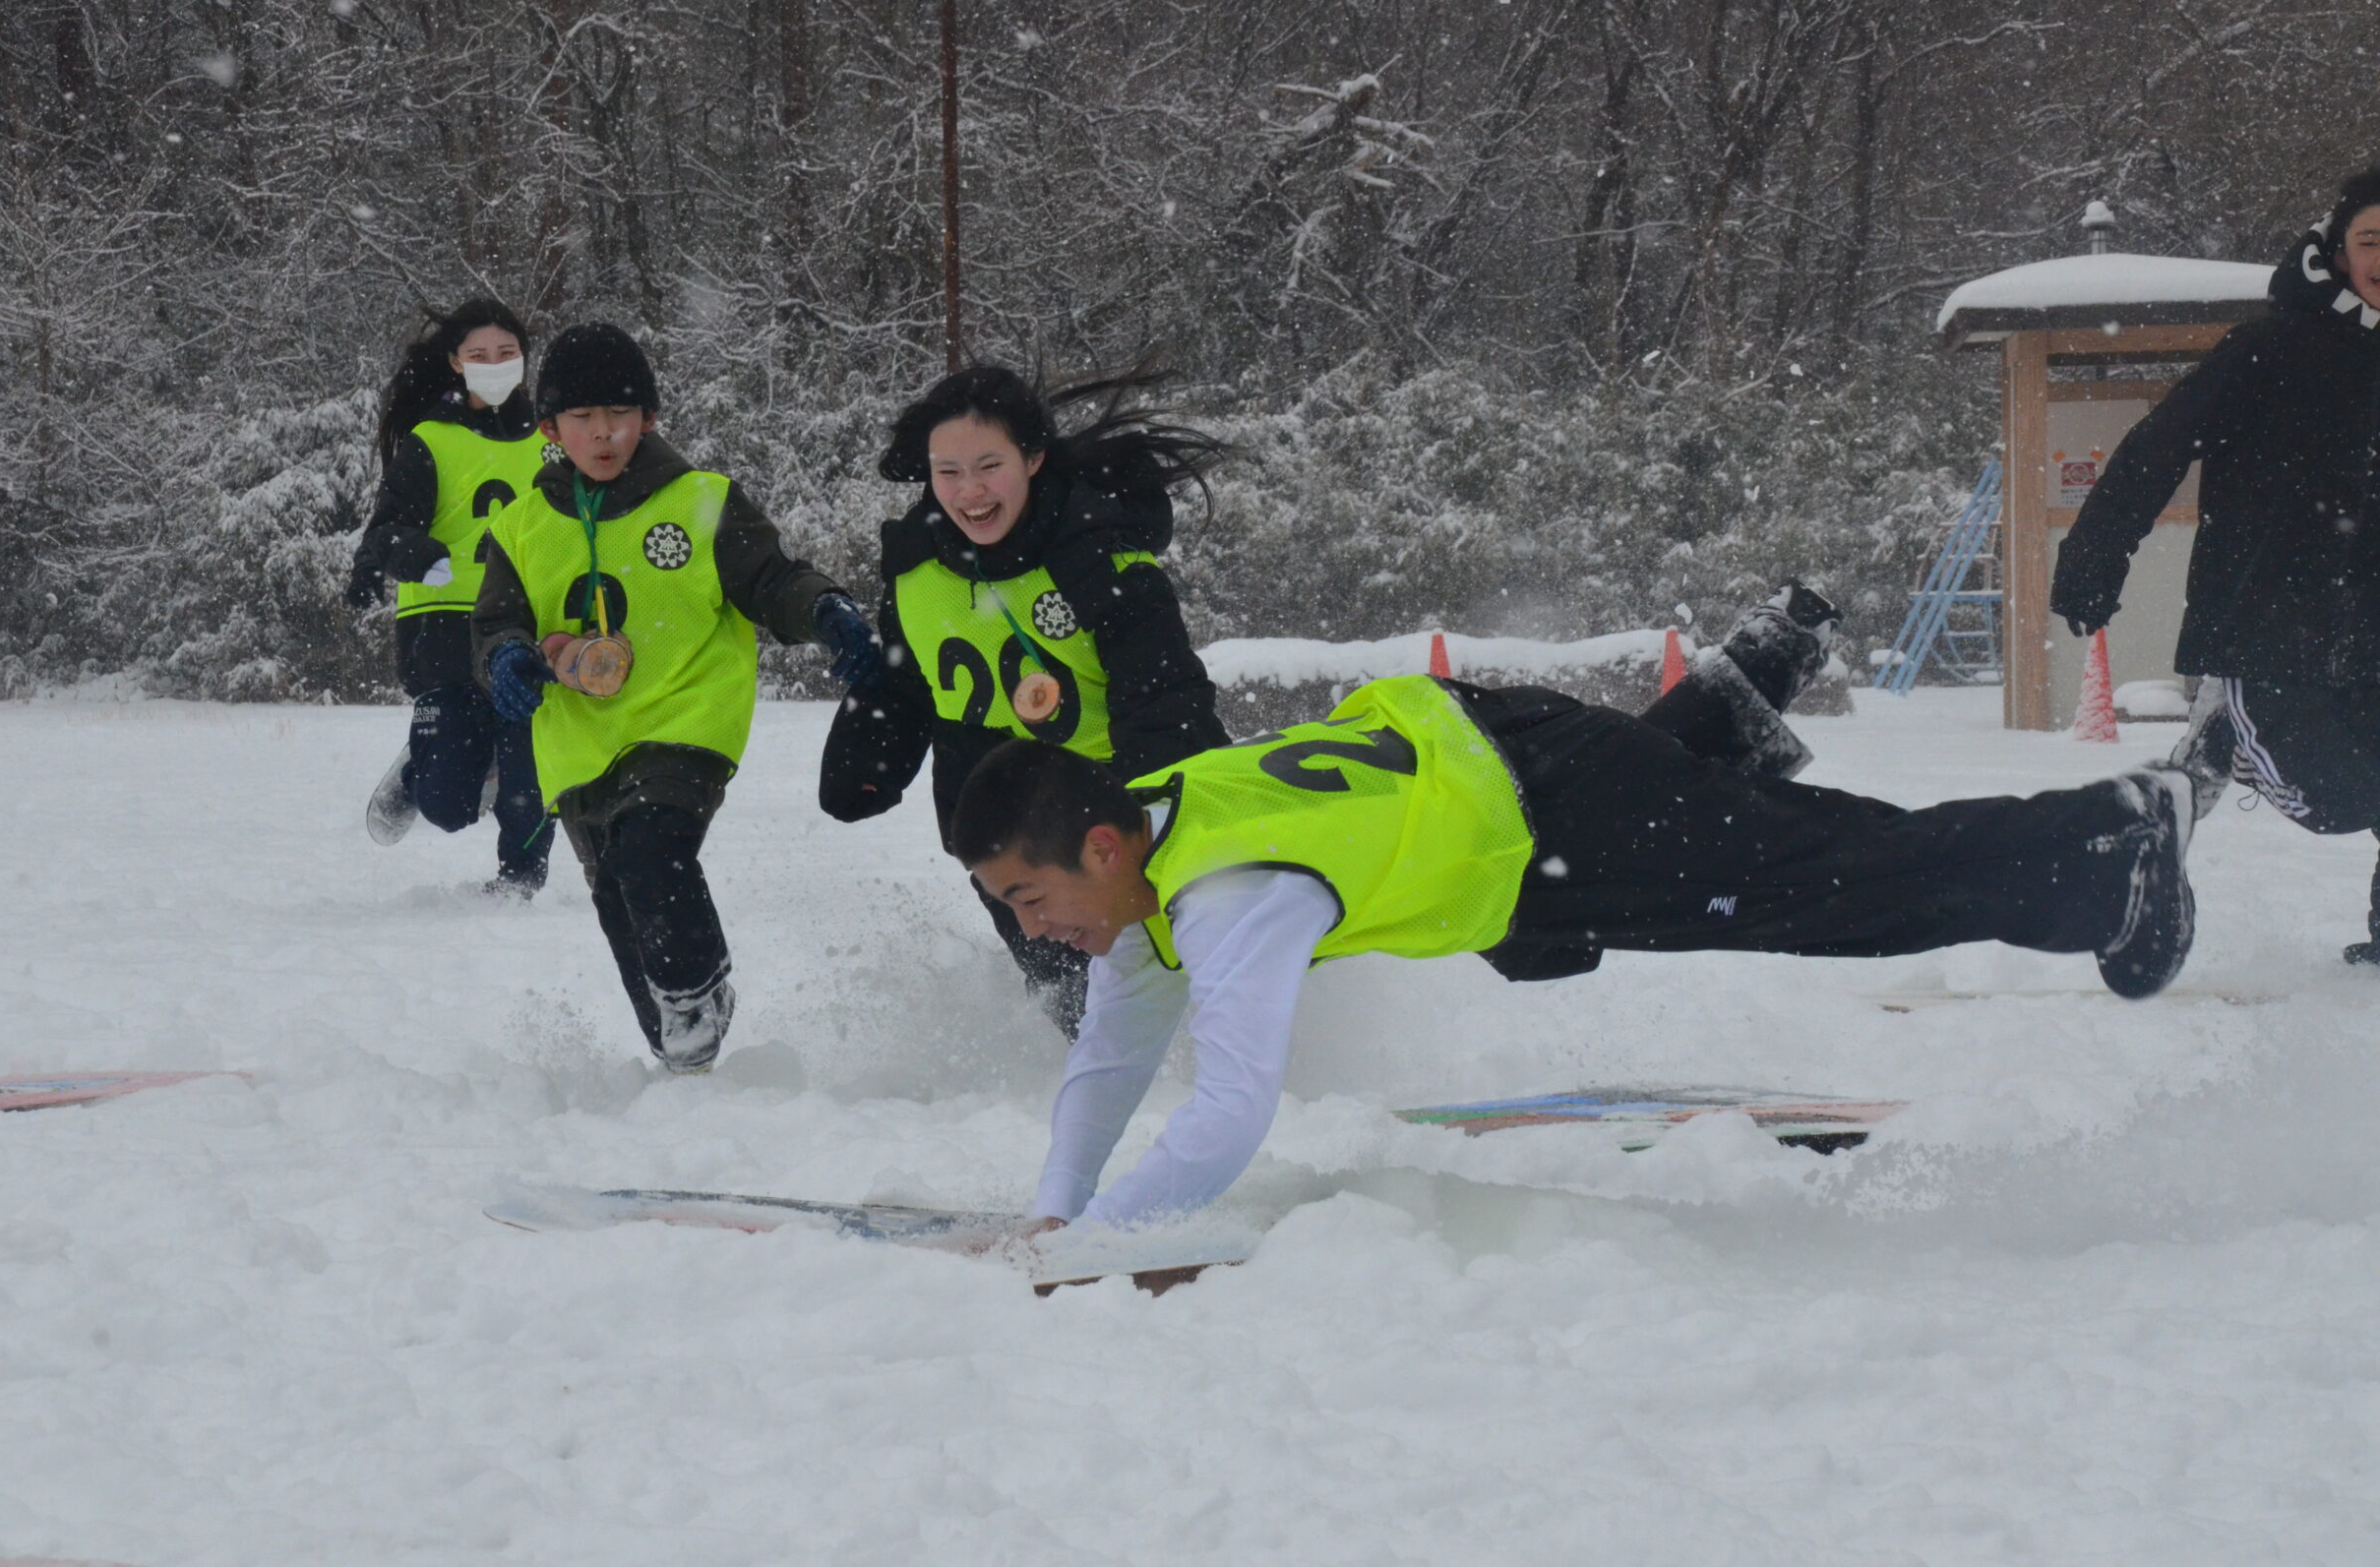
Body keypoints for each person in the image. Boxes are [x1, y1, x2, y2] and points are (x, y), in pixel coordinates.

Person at [951, 672, 2198, 1230]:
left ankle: (2111, 847)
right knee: (1784, 854)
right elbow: (1115, 1056)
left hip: (1558, 818)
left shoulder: (1228, 897)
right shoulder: (1152, 822)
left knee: (1830, 887)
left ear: (1104, 849)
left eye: (1028, 895)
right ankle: (1728, 706)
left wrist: (1104, 1241)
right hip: (1517, 782)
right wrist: (1063, 1210)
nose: (1030, 928)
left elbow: (1227, 1106)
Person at [470, 324, 884, 1072]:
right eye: (584, 419)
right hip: (579, 748)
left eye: (621, 416)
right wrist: (505, 659)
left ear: (651, 418)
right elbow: (498, 620)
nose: (604, 434)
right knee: (620, 904)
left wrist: (824, 610)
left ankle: (698, 985)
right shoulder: (521, 527)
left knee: (651, 849)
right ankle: (683, 1053)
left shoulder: (703, 501)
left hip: (686, 719)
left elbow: (771, 579)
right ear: (550, 429)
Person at [818, 363, 1236, 1037]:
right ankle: (1107, 1091)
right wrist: (868, 758)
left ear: (1033, 458)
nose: (970, 492)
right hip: (1004, 830)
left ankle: (1256, 1082)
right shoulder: (915, 566)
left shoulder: (1097, 551)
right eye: (947, 472)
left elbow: (1162, 692)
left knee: (1194, 970)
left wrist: (1157, 809)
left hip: (1122, 811)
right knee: (1083, 1008)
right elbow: (906, 679)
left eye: (989, 466)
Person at [2051, 164, 2380, 963]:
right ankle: (2168, 800)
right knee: (2334, 799)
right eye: (2374, 241)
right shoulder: (2267, 350)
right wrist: (2096, 556)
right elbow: (2155, 450)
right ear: (2339, 253)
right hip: (2272, 624)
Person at [346, 298, 554, 895]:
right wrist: (410, 552)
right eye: (479, 355)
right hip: (445, 630)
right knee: (448, 806)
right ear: (455, 364)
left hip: (530, 625)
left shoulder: (553, 437)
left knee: (534, 765)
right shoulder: (429, 441)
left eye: (507, 354)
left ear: (524, 359)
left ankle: (521, 878)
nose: (495, 364)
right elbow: (384, 532)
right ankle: (422, 772)